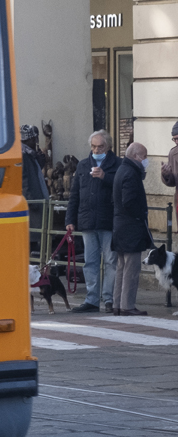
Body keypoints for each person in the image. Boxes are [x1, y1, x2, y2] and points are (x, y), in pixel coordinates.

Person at [66, 130, 120, 313]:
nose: (97, 150)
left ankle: (109, 299)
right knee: (90, 262)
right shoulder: (82, 165)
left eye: (101, 146)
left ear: (108, 147)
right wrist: (70, 220)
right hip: (88, 220)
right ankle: (92, 300)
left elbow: (123, 187)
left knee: (111, 261)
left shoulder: (117, 164)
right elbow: (74, 195)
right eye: (94, 146)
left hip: (109, 220)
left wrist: (105, 177)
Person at [111, 142, 152, 316]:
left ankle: (117, 304)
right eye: (144, 156)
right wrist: (141, 213)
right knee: (131, 269)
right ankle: (127, 305)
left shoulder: (122, 169)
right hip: (131, 226)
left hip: (120, 226)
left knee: (121, 267)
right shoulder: (131, 173)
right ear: (135, 156)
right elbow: (129, 201)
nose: (146, 160)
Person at [160, 121, 178, 228]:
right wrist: (166, 175)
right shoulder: (173, 153)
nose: (176, 142)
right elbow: (172, 182)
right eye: (174, 139)